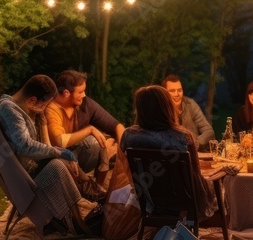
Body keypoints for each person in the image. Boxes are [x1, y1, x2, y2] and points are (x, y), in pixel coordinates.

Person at [0, 74, 89, 235]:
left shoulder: (9, 105)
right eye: (44, 105)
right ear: (31, 101)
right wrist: (59, 151)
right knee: (58, 166)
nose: (44, 109)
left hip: (26, 171)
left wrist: (41, 121)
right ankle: (77, 221)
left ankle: (74, 215)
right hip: (26, 178)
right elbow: (25, 146)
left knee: (62, 164)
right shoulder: (11, 111)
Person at [120, 85, 218, 217]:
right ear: (167, 108)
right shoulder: (184, 138)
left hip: (149, 199)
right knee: (219, 182)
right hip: (184, 200)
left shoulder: (129, 136)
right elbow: (195, 177)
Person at [45, 70, 125, 186]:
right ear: (67, 93)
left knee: (112, 143)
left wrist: (124, 146)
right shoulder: (52, 109)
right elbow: (59, 141)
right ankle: (88, 187)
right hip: (60, 159)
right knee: (92, 142)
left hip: (81, 157)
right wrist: (90, 130)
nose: (84, 95)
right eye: (80, 92)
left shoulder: (84, 103)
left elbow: (115, 125)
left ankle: (99, 188)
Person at [162, 74, 215, 150]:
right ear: (165, 93)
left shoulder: (190, 104)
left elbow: (209, 131)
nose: (177, 94)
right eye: (172, 91)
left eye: (179, 90)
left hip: (194, 153)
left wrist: (194, 144)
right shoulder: (161, 109)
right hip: (172, 154)